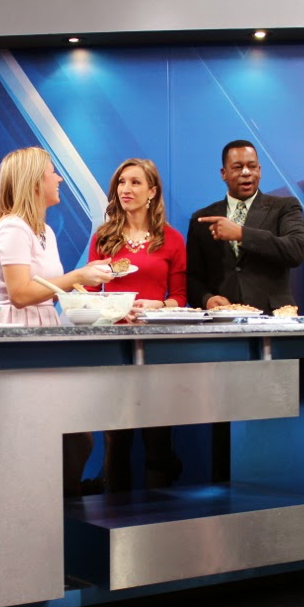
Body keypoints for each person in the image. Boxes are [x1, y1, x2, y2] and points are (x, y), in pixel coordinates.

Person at [0, 146, 114, 495]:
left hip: (45, 337)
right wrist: (78, 275)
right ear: (33, 182)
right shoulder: (12, 228)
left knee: (75, 439)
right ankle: (39, 508)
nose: (58, 178)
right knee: (55, 439)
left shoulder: (45, 230)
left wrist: (97, 300)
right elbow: (20, 293)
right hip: (21, 341)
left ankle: (58, 507)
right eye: (51, 173)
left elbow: (49, 290)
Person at [88, 158, 186, 491]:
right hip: (114, 347)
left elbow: (180, 298)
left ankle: (160, 513)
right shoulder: (103, 238)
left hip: (157, 347)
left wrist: (159, 304)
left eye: (135, 182)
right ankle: (115, 512)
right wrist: (114, 308)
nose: (126, 189)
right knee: (116, 438)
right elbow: (87, 295)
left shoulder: (172, 240)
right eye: (121, 182)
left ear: (152, 192)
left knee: (158, 436)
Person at [186, 140, 304, 313]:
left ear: (259, 170)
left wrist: (242, 234)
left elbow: (296, 250)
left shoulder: (284, 207)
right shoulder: (202, 219)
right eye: (237, 167)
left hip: (273, 318)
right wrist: (207, 299)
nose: (246, 172)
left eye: (252, 166)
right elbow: (192, 279)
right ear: (224, 173)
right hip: (222, 320)